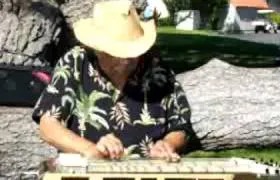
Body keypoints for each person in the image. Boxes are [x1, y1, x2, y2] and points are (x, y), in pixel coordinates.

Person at [32, 0, 192, 162]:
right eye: (117, 53)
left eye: (132, 52)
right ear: (98, 48)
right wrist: (90, 149)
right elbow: (48, 126)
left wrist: (168, 144)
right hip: (87, 172)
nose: (126, 60)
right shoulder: (76, 62)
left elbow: (181, 124)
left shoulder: (158, 69)